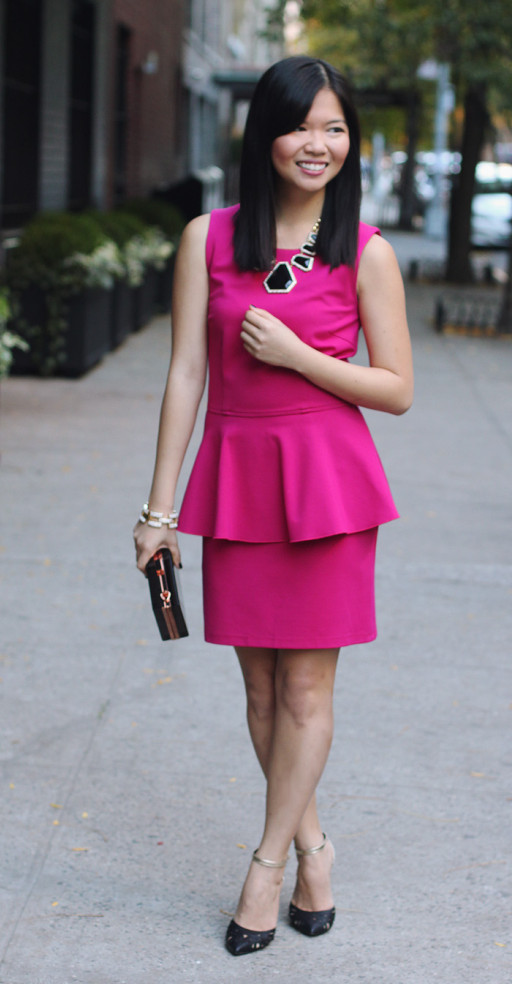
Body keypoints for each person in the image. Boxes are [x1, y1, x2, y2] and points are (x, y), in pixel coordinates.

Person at [133, 55, 413, 957]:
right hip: (239, 481)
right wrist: (158, 512)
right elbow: (185, 375)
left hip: (328, 487)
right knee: (259, 692)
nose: (317, 144)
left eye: (335, 128)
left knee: (303, 688)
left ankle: (265, 867)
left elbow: (397, 388)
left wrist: (300, 357)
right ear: (266, 135)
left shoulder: (365, 251)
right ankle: (314, 848)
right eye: (301, 126)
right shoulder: (207, 240)